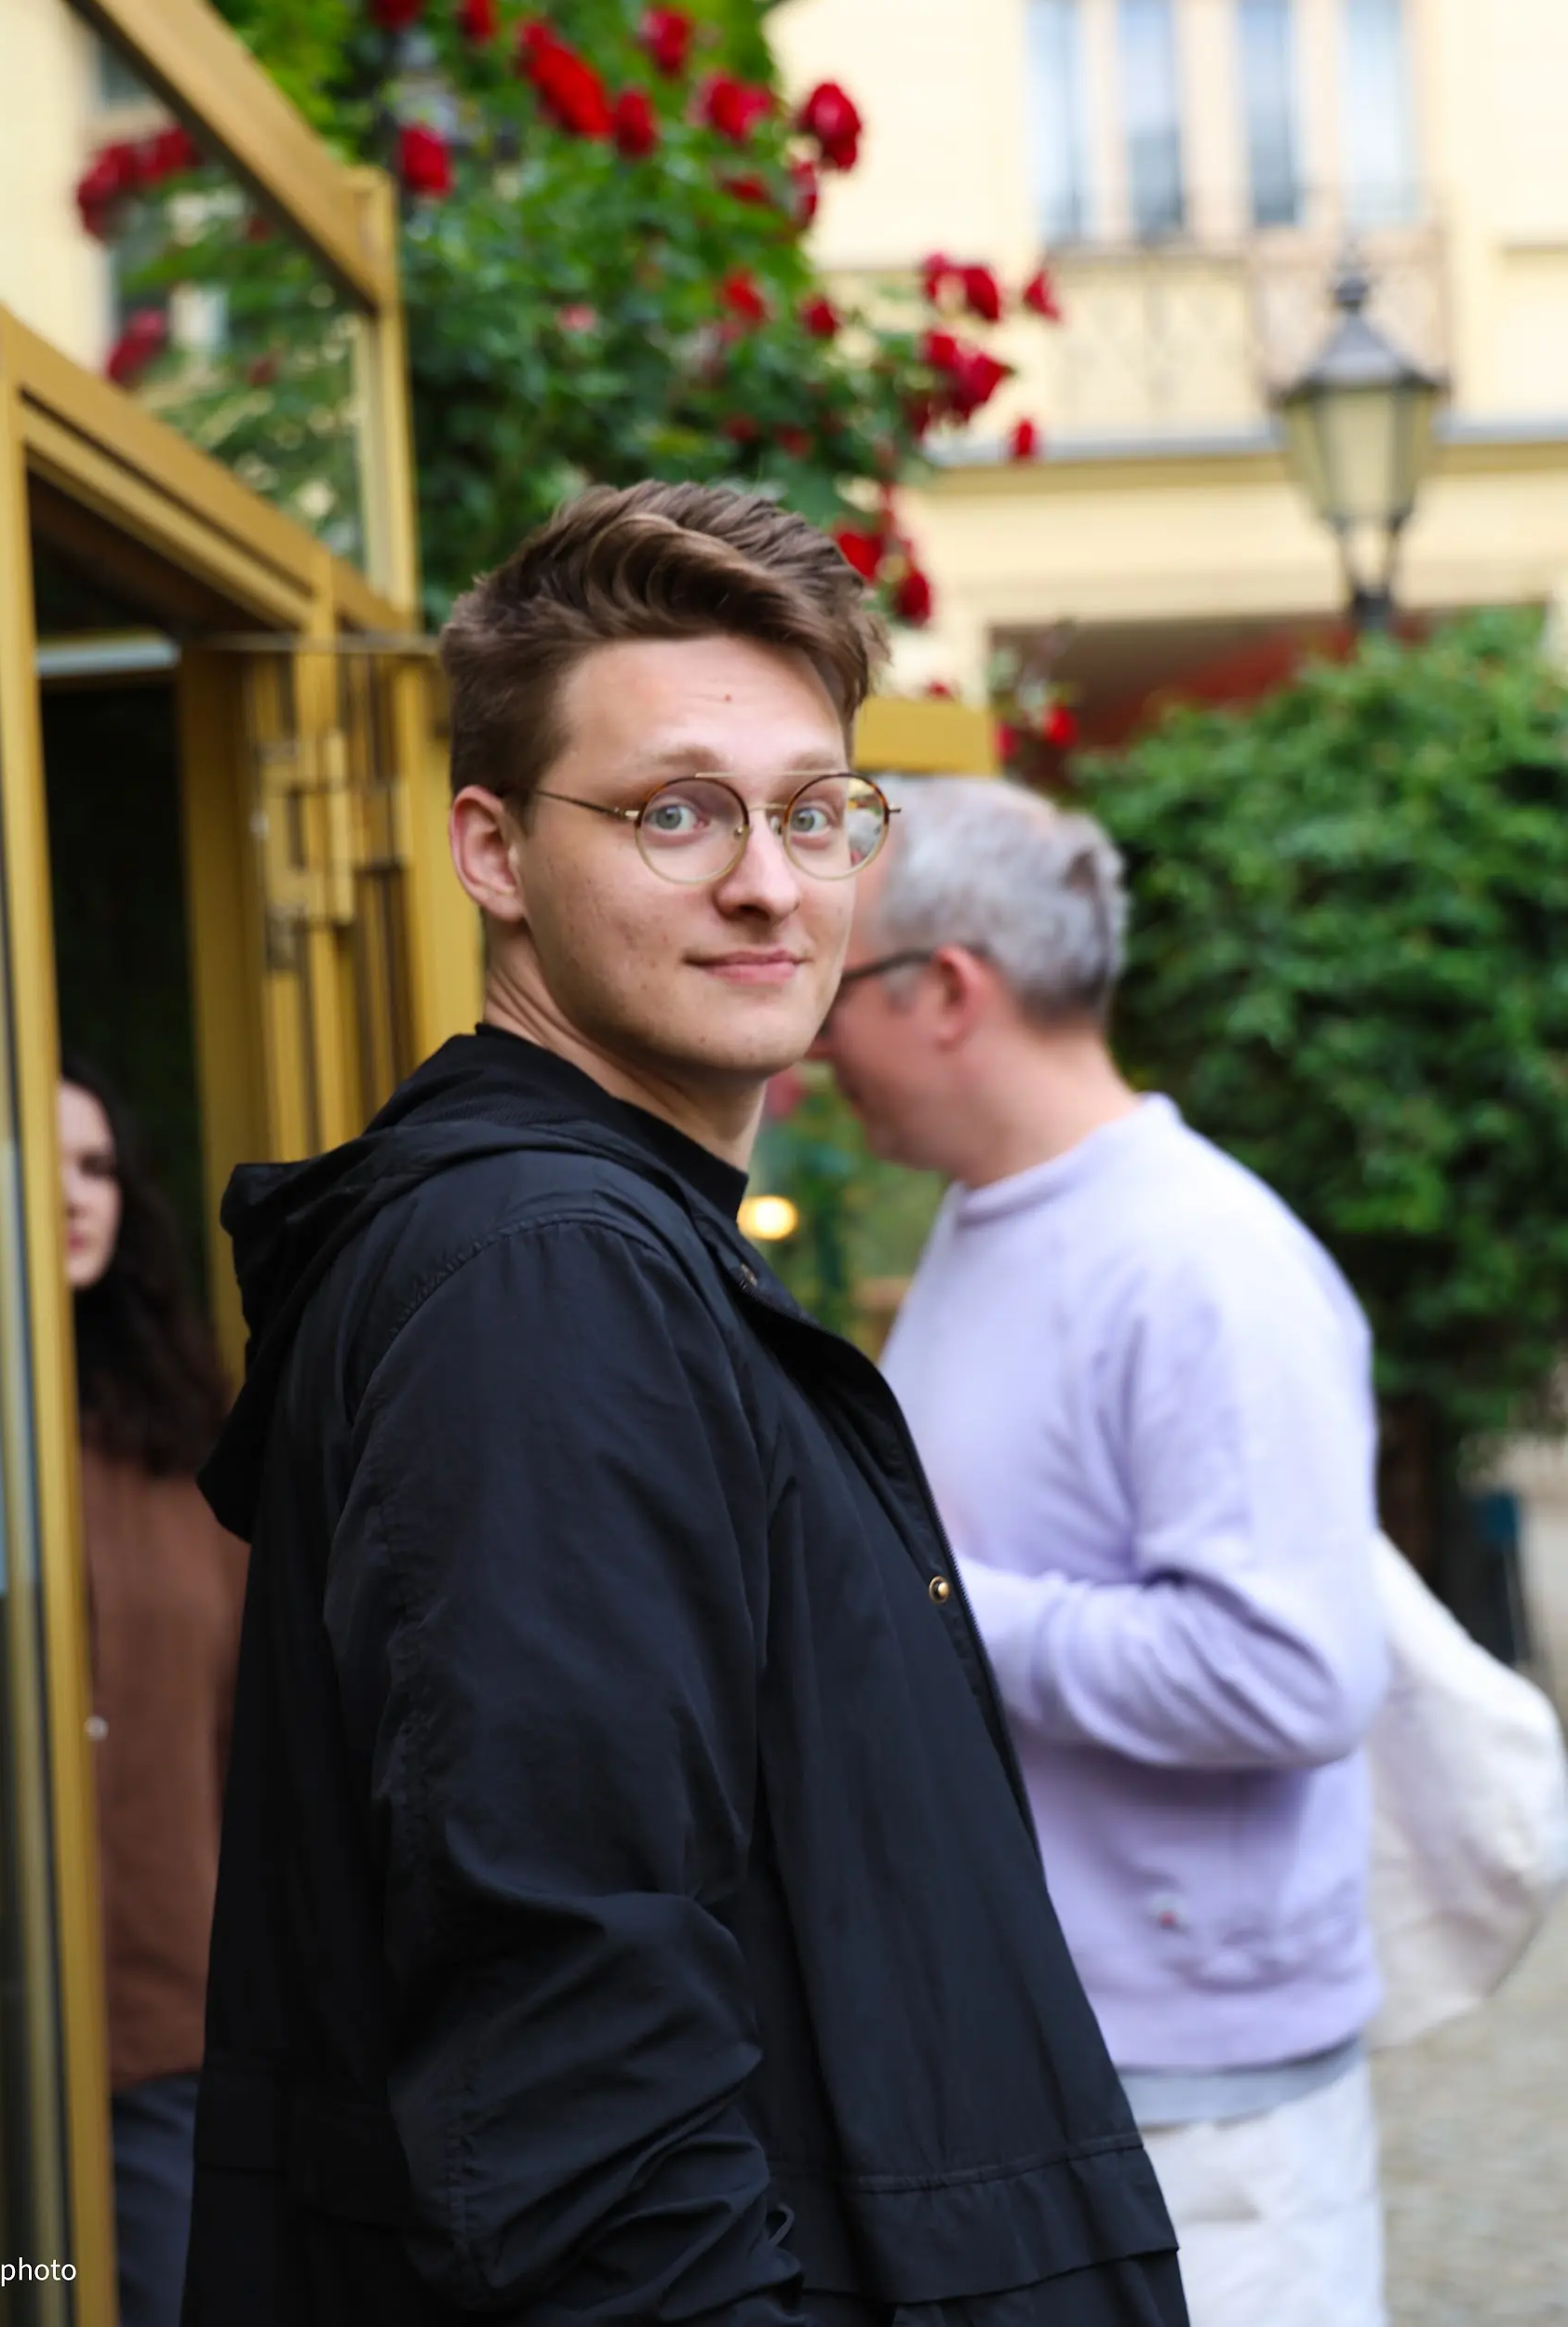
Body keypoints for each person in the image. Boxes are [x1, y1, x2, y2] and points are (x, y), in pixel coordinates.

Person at [181, 484, 1186, 2327]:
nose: (767, 881)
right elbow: (577, 2069)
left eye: (811, 810)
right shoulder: (544, 1279)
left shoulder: (605, 1243)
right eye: (674, 811)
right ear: (492, 849)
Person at [813, 775, 1388, 2327]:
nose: (809, 1048)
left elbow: (1293, 1675)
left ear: (945, 989)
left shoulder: (1201, 1262)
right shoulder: (986, 1219)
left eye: (836, 992)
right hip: (1061, 2054)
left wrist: (919, 1605)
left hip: (1200, 2114)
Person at [60, 1061, 247, 2327]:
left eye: (96, 1167)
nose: (73, 1196)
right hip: (11, 2021)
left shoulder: (189, 1442)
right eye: (34, 1166)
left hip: (180, 2022)